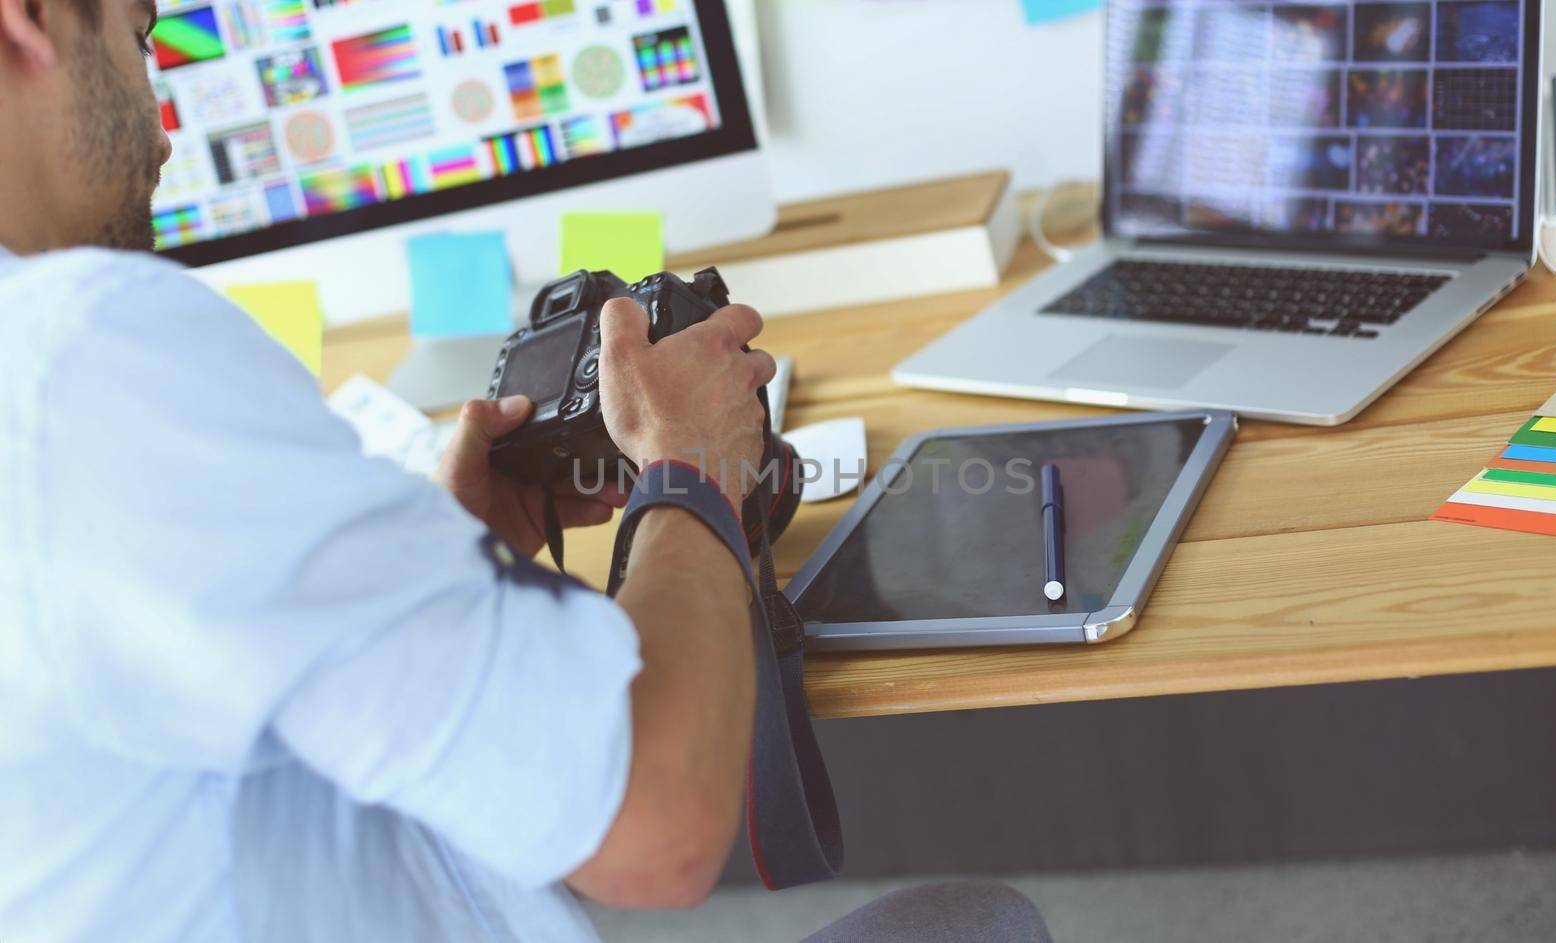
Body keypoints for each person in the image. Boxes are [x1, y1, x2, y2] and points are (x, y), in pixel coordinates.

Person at [0, 0, 1054, 940]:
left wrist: (429, 568)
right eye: (141, 42)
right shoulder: (79, 352)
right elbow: (659, 828)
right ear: (28, 21)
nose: (165, 122)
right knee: (984, 926)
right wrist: (690, 480)